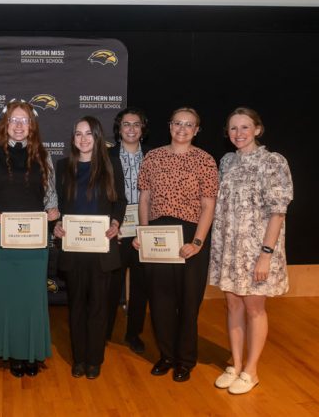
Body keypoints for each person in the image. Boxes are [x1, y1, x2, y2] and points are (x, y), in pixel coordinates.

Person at [0, 100, 59, 378]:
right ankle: (9, 353)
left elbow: (50, 192)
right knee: (5, 295)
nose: (19, 126)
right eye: (14, 120)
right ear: (5, 125)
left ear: (31, 125)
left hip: (33, 237)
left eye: (24, 121)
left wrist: (53, 210)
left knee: (31, 297)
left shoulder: (43, 155)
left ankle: (30, 352)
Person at [209, 107, 293, 394]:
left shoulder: (273, 162)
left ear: (257, 129)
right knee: (232, 304)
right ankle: (235, 363)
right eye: (233, 128)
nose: (239, 133)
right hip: (229, 249)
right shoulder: (226, 162)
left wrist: (266, 254)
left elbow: (278, 212)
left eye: (245, 127)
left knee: (254, 308)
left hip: (258, 250)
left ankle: (251, 370)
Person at [133, 107, 218, 382]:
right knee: (160, 300)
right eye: (177, 123)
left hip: (191, 236)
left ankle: (185, 359)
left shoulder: (205, 161)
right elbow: (144, 199)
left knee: (188, 302)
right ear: (169, 126)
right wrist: (143, 235)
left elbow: (208, 205)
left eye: (189, 125)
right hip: (158, 235)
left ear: (196, 130)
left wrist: (197, 242)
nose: (182, 129)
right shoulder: (153, 157)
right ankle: (167, 355)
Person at [53, 116, 127, 379]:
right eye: (78, 134)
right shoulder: (62, 167)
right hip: (73, 249)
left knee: (98, 307)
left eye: (88, 134)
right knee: (76, 307)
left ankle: (94, 359)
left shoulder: (111, 165)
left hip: (101, 249)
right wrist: (57, 224)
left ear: (97, 137)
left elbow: (120, 201)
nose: (83, 139)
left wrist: (117, 222)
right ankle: (79, 358)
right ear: (72, 138)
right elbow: (56, 206)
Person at [107, 107, 151, 354]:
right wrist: (114, 225)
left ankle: (133, 333)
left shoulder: (154, 158)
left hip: (144, 231)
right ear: (119, 128)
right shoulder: (107, 157)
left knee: (141, 285)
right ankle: (104, 331)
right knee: (111, 284)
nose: (131, 129)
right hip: (117, 230)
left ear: (142, 129)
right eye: (126, 124)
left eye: (136, 124)